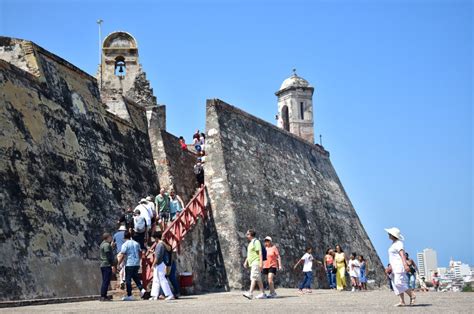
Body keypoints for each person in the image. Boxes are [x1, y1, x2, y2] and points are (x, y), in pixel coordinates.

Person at [385, 227, 416, 307]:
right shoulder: (393, 244)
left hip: (399, 266)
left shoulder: (399, 243)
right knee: (395, 284)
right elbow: (393, 258)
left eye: (389, 234)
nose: (388, 235)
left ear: (393, 235)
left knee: (399, 283)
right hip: (394, 267)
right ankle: (402, 301)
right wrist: (390, 266)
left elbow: (402, 254)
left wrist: (405, 265)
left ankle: (412, 295)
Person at [117, 231, 146, 301]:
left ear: (124, 237)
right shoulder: (136, 243)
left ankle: (129, 295)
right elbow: (140, 252)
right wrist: (139, 260)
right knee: (136, 278)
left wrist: (118, 263)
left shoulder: (125, 245)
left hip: (129, 263)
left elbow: (123, 255)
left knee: (128, 279)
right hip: (136, 263)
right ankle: (142, 289)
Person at [149, 231, 175, 301]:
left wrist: (153, 265)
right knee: (157, 280)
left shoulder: (159, 245)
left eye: (154, 238)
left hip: (160, 264)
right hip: (161, 263)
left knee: (162, 279)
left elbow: (158, 257)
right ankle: (155, 295)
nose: (154, 240)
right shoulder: (160, 244)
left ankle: (169, 294)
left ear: (156, 238)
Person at [243, 229, 266, 299]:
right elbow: (249, 254)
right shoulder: (251, 243)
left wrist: (261, 263)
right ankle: (263, 293)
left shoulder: (256, 242)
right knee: (258, 278)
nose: (246, 235)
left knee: (253, 277)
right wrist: (246, 261)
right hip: (252, 262)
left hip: (256, 262)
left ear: (250, 235)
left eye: (247, 234)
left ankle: (250, 293)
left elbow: (260, 253)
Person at [99, 233, 116, 301]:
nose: (111, 238)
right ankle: (103, 296)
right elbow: (108, 255)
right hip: (106, 264)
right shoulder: (106, 245)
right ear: (107, 237)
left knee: (105, 280)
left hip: (103, 264)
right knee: (106, 281)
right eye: (110, 237)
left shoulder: (103, 244)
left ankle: (104, 295)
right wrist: (112, 264)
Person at [113, 225, 127, 290]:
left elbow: (112, 244)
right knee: (125, 266)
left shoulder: (115, 235)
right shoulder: (126, 234)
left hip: (119, 252)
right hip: (126, 252)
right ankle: (124, 279)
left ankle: (121, 280)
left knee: (120, 266)